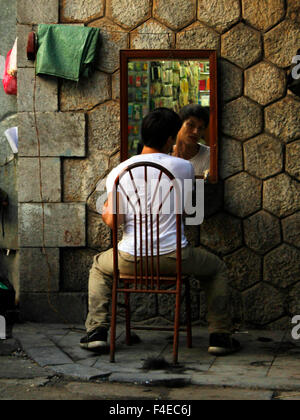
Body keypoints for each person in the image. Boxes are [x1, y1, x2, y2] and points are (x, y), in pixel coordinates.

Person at [80, 107, 240, 356]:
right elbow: (186, 210)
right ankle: (219, 335)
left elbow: (113, 221)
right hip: (175, 258)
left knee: (99, 267)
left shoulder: (119, 172)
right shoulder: (183, 168)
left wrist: (107, 209)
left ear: (143, 135)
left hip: (129, 260)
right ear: (169, 139)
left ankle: (97, 331)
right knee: (217, 268)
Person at [173, 104, 210, 177]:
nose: (195, 132)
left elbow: (200, 188)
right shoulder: (166, 153)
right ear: (179, 124)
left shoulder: (208, 156)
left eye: (200, 128)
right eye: (190, 125)